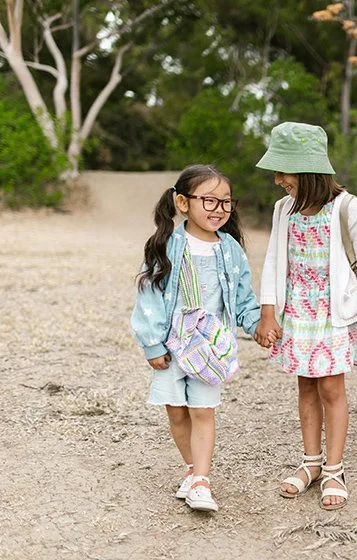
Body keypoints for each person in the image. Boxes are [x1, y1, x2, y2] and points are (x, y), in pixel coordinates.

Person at [252, 122, 357, 510]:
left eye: (283, 171)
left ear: (308, 170)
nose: (277, 180)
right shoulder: (283, 210)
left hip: (333, 314)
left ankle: (334, 468)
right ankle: (311, 462)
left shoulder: (347, 207)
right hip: (298, 312)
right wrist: (268, 311)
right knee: (306, 386)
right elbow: (274, 260)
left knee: (331, 389)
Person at [131, 164, 263, 512]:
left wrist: (257, 325)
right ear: (182, 202)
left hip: (210, 348)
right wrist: (153, 344)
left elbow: (244, 296)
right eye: (209, 200)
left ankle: (202, 480)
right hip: (172, 347)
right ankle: (191, 468)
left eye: (226, 202)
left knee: (203, 411)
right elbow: (149, 297)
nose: (219, 209)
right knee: (176, 413)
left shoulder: (230, 249)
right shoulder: (165, 245)